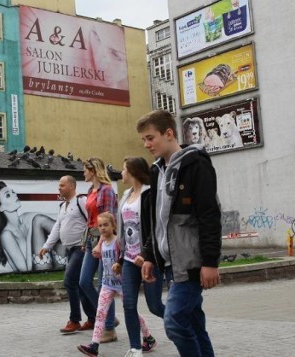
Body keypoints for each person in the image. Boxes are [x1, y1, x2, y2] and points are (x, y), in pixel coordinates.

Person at [136, 110, 222, 357]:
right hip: (170, 262)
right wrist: (150, 255)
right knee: (195, 324)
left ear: (169, 133)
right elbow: (158, 221)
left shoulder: (196, 164)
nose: (146, 144)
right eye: (144, 139)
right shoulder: (157, 170)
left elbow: (209, 215)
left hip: (191, 261)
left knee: (173, 322)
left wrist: (210, 262)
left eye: (150, 138)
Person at [114, 156, 165, 356]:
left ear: (134, 171)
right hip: (128, 260)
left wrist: (145, 254)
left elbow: (155, 228)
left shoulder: (150, 194)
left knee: (154, 305)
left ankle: (184, 322)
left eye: (124, 169)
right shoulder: (125, 195)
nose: (121, 173)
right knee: (128, 304)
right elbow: (123, 230)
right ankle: (135, 347)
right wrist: (120, 259)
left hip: (149, 260)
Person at [38, 175, 97, 334]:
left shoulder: (81, 201)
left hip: (82, 248)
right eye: (59, 185)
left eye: (62, 185)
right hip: (71, 250)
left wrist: (94, 242)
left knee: (70, 281)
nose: (59, 188)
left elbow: (93, 221)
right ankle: (93, 318)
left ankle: (75, 320)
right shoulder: (63, 206)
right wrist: (46, 246)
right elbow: (57, 227)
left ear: (71, 186)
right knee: (79, 284)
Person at [0, 181, 66, 272]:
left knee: (60, 224)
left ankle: (78, 245)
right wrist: (30, 235)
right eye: (8, 195)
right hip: (37, 270)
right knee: (38, 220)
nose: (14, 195)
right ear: (1, 208)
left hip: (56, 262)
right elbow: (25, 270)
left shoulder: (25, 217)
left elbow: (55, 218)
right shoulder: (6, 234)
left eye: (13, 192)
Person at [79, 157, 118, 343]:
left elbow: (108, 220)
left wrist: (100, 243)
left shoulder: (107, 190)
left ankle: (109, 328)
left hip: (104, 241)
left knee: (105, 286)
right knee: (84, 281)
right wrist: (86, 240)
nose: (83, 173)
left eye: (85, 170)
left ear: (93, 170)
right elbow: (91, 219)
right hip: (91, 239)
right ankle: (108, 317)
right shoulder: (90, 190)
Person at [76, 212, 122, 357]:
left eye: (106, 225)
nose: (102, 228)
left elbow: (123, 258)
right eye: (100, 226)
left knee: (131, 312)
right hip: (107, 284)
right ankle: (94, 346)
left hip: (121, 284)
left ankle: (147, 336)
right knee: (100, 314)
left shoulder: (118, 242)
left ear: (113, 225)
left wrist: (119, 264)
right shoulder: (102, 245)